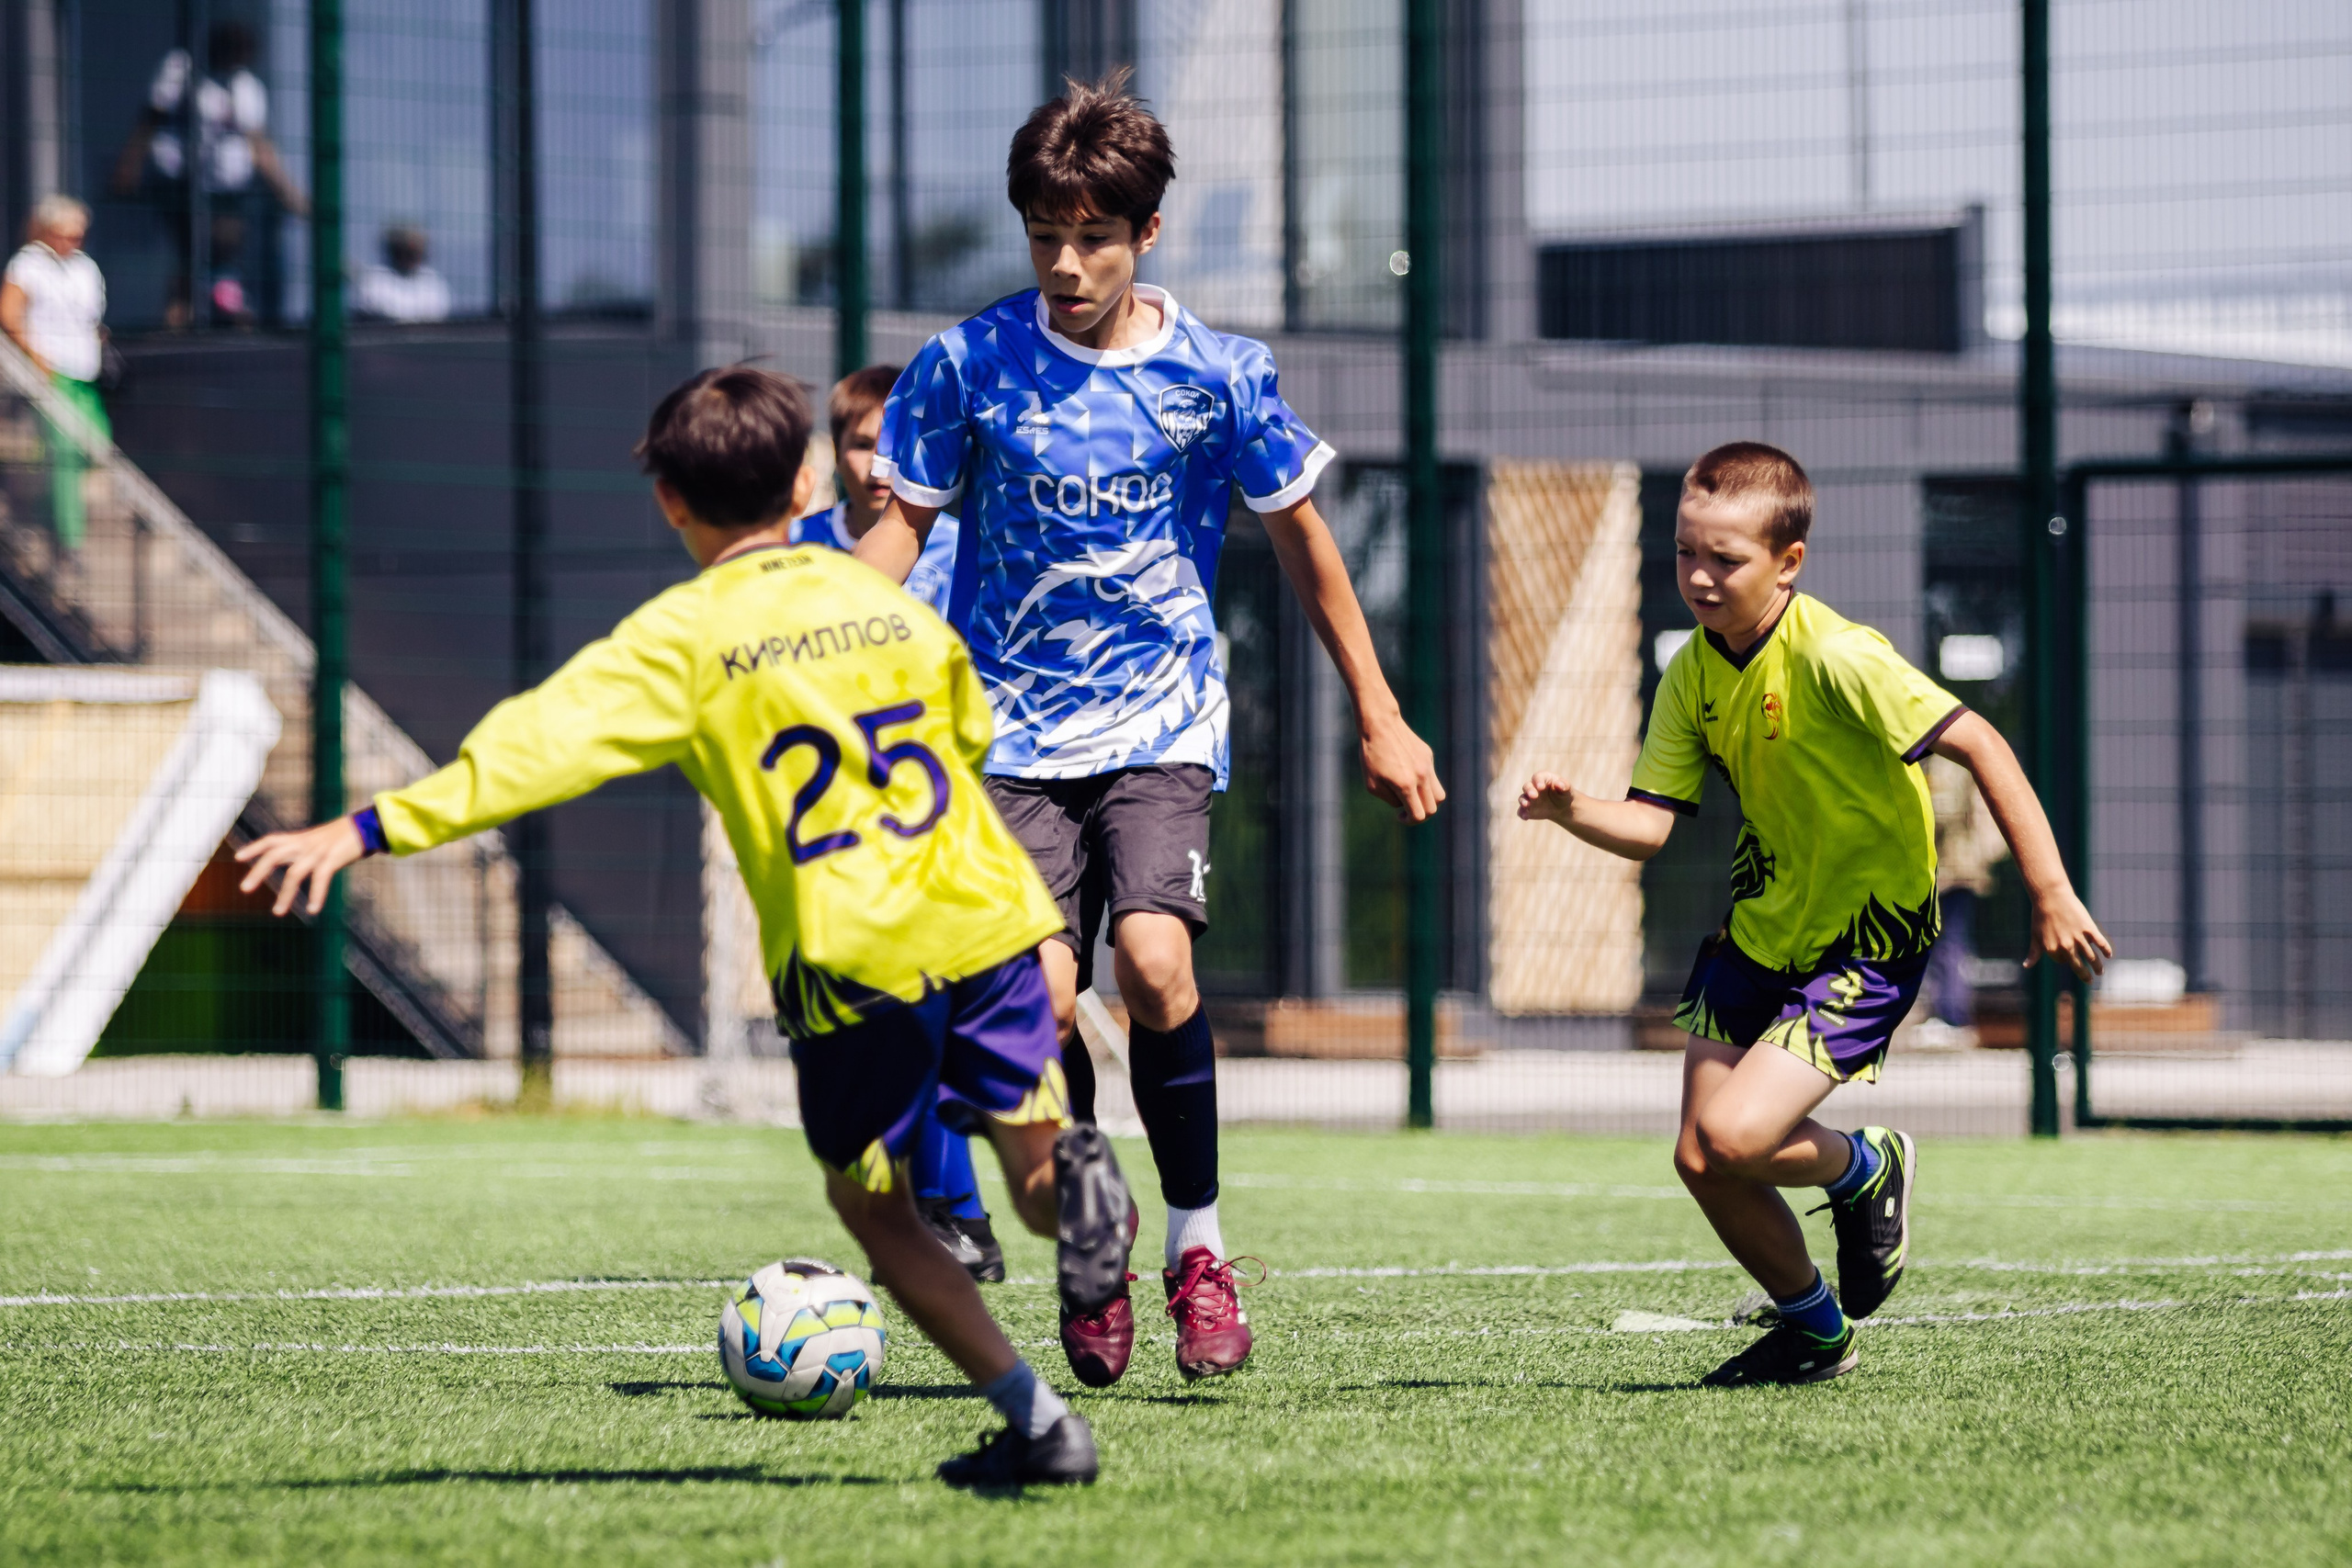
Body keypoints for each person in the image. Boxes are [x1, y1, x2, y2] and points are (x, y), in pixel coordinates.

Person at [232, 366, 1132, 1488]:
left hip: (856, 957)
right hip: (988, 915)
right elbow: (964, 730)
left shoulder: (682, 638)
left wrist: (366, 829)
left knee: (876, 1210)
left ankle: (1040, 1427)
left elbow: (524, 754)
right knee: (1039, 1175)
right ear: (804, 480)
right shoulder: (887, 603)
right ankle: (1084, 1185)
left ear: (669, 504)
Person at [854, 71, 1443, 1389]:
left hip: (1162, 716)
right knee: (1044, 995)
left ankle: (1199, 1247)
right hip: (1006, 737)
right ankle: (1094, 1239)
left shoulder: (1222, 374)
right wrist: (797, 640)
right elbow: (898, 531)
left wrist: (1384, 716)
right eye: (1044, 236)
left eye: (1093, 238)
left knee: (1159, 964)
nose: (1065, 264)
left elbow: (1309, 548)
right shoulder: (967, 364)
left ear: (1147, 236)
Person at [1518, 442, 2109, 1386]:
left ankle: (1860, 1168)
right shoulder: (1690, 675)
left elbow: (1982, 745)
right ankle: (1815, 1332)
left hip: (1865, 946)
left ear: (1788, 562)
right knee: (1700, 1158)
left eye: (1726, 559)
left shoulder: (1838, 655)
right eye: (1683, 554)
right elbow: (1648, 827)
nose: (1699, 579)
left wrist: (2050, 890)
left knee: (1742, 1139)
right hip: (1757, 932)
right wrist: (1568, 811)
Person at [791, 363, 994, 1281]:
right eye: (863, 443)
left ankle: (964, 1216)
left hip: (935, 815)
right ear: (834, 453)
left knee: (920, 1012)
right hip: (830, 825)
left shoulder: (951, 548)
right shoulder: (797, 550)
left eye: (895, 446)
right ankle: (954, 1214)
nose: (879, 466)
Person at [111, 22, 308, 327]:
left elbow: (259, 146)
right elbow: (149, 120)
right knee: (190, 249)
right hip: (179, 181)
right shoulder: (180, 69)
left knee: (226, 243)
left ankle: (220, 299)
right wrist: (129, 165)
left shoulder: (246, 87)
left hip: (227, 185)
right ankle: (183, 312)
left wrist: (289, 194)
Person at [1, 195, 108, 554]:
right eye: (64, 234)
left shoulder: (85, 267)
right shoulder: (28, 265)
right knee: (64, 454)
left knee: (95, 446)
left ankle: (42, 502)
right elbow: (10, 315)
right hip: (51, 375)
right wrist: (38, 357)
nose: (71, 242)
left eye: (78, 235)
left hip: (84, 373)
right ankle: (69, 538)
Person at [1918, 752, 2008, 1045]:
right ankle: (1945, 1013)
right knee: (1942, 943)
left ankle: (1952, 1016)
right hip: (1947, 868)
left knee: (1949, 943)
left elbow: (1943, 810)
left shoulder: (1946, 761)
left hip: (1954, 869)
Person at [353, 225, 451, 323]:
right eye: (406, 252)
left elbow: (439, 310)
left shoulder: (432, 280)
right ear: (395, 251)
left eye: (416, 252)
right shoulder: (375, 277)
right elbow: (376, 308)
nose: (412, 257)